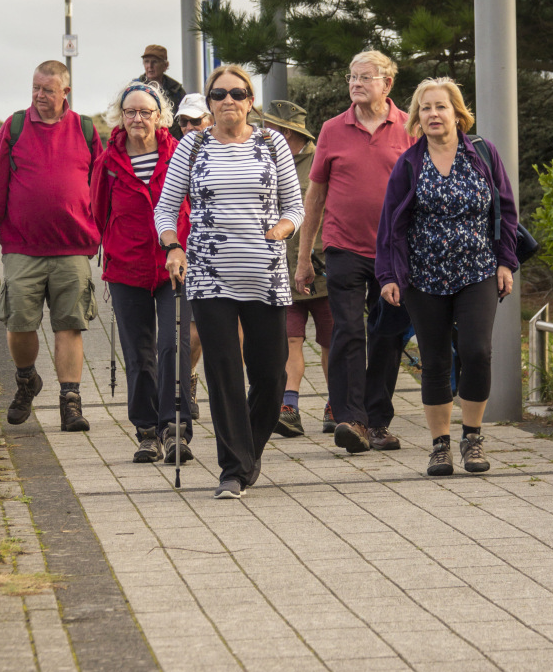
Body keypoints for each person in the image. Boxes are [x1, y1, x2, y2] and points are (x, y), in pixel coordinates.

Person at [156, 64, 305, 499]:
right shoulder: (193, 145)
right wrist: (174, 247)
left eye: (237, 94)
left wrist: (282, 229)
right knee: (223, 374)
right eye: (218, 95)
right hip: (209, 276)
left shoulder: (271, 142)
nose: (228, 102)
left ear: (250, 100)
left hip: (266, 275)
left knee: (270, 375)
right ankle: (233, 470)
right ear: (209, 102)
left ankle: (248, 454)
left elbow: (295, 207)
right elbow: (166, 209)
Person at [376, 77, 518, 476]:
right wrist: (388, 274)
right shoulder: (409, 162)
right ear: (417, 117)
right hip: (423, 275)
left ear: (457, 112)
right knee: (435, 359)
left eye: (440, 107)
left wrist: (504, 261)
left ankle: (472, 437)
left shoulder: (484, 154)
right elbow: (390, 224)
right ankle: (440, 446)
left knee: (476, 351)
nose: (433, 114)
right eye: (425, 108)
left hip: (478, 270)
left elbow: (506, 211)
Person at [295, 50, 416, 454]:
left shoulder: (409, 128)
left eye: (365, 77)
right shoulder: (332, 129)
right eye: (351, 76)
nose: (356, 83)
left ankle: (378, 421)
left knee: (387, 336)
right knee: (347, 331)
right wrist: (303, 256)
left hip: (395, 253)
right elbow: (315, 197)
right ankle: (351, 420)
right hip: (342, 247)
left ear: (388, 84)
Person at [0, 60, 103, 432]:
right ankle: (27, 379)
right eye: (35, 88)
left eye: (48, 89)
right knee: (19, 324)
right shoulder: (15, 128)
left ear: (66, 92)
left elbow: (100, 187)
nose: (39, 95)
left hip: (73, 247)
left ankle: (71, 402)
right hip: (22, 248)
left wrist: (101, 231)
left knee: (69, 326)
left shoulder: (85, 129)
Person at [92, 82, 194, 463]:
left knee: (173, 343)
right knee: (138, 353)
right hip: (126, 267)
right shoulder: (108, 161)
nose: (137, 118)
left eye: (145, 112)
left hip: (174, 265)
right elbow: (98, 211)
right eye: (130, 112)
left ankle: (175, 427)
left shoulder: (180, 153)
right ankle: (146, 430)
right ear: (120, 116)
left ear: (159, 116)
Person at [263, 101, 334, 437]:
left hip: (322, 267)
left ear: (286, 131)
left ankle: (337, 404)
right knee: (289, 339)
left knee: (331, 340)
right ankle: (289, 407)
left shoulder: (321, 160)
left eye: (270, 127)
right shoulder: (264, 161)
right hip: (280, 268)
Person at [175, 93, 214, 420]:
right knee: (192, 328)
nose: (188, 127)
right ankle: (182, 382)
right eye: (183, 122)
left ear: (210, 120)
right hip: (183, 250)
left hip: (226, 253)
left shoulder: (228, 149)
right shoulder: (175, 154)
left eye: (195, 121)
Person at [137, 45, 186, 139]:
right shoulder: (135, 88)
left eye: (154, 62)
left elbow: (184, 121)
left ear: (165, 66)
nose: (149, 66)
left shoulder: (176, 90)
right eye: (146, 62)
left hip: (172, 144)